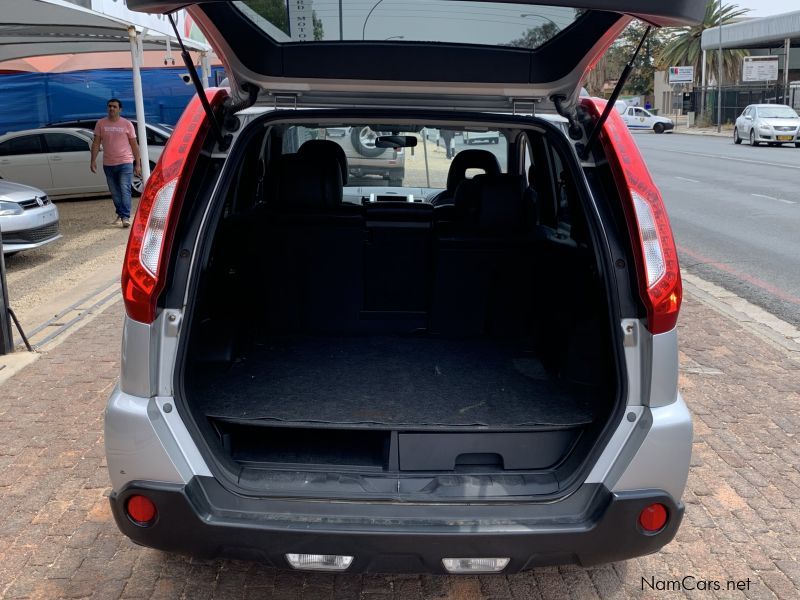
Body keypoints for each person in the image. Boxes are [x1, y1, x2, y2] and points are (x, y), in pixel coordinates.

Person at [90, 98, 142, 227]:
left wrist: (138, 164)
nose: (111, 108)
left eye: (114, 106)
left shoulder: (127, 124)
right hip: (108, 163)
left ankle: (125, 216)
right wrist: (93, 160)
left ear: (120, 109)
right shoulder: (101, 123)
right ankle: (121, 213)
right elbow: (96, 143)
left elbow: (134, 144)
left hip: (125, 162)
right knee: (114, 192)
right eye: (109, 106)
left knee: (125, 189)